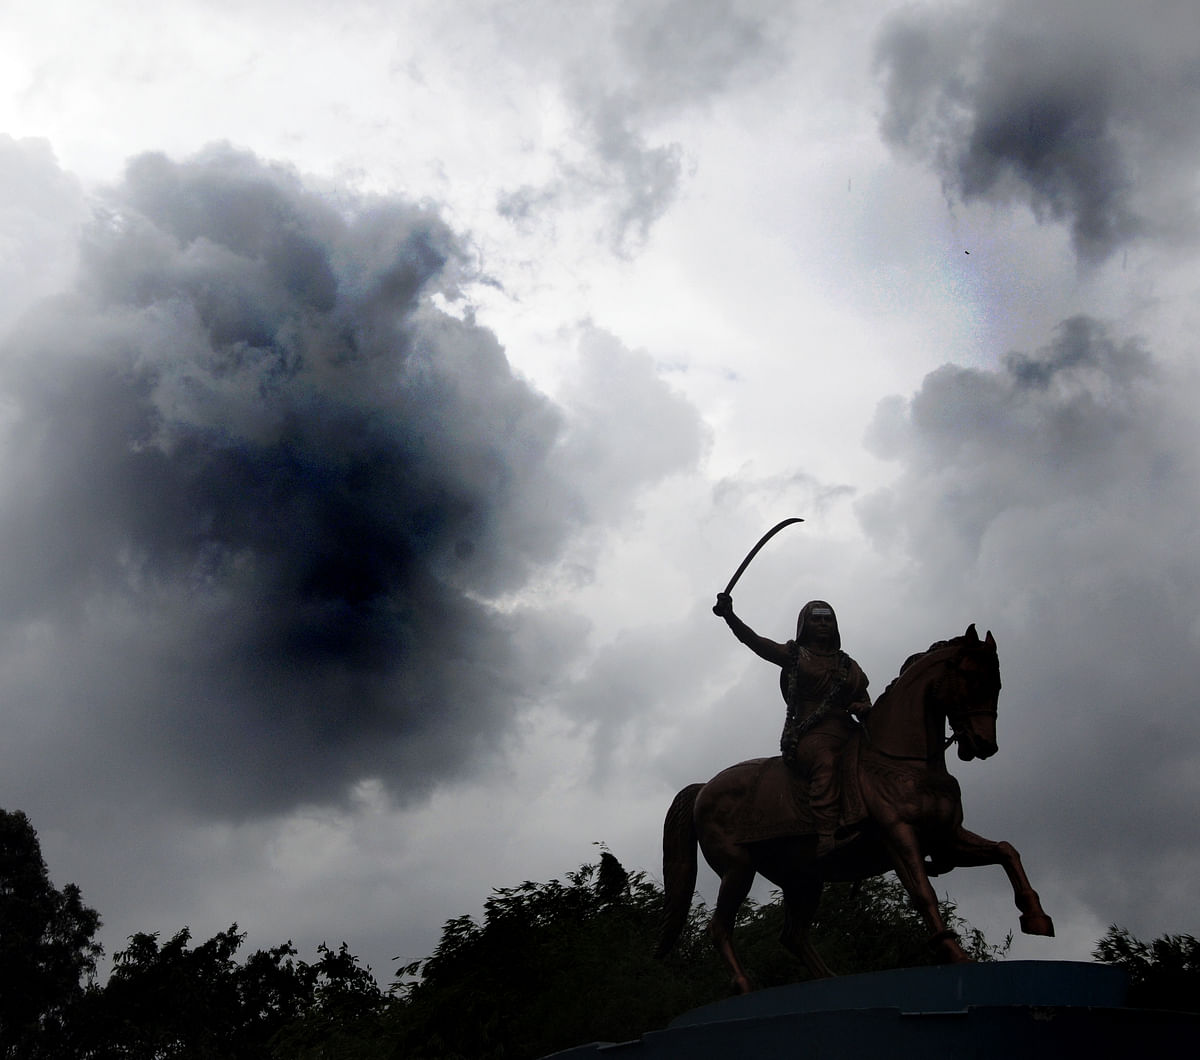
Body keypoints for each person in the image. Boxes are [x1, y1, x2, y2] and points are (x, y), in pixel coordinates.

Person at [713, 593, 871, 856]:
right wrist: (730, 617)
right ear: (805, 624)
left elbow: (862, 697)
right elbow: (757, 643)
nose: (823, 624)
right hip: (812, 735)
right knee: (826, 762)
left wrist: (862, 707)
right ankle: (826, 834)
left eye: (828, 619)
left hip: (849, 732)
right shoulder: (796, 655)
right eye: (816, 618)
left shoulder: (848, 664)